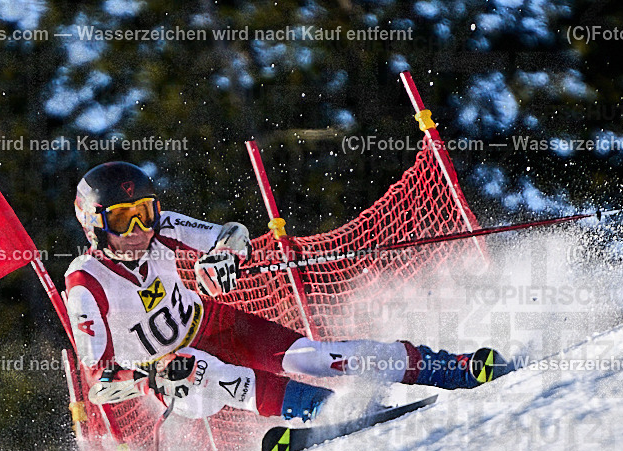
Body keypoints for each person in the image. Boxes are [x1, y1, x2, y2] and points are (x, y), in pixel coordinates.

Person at [65, 161, 510, 421]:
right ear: (96, 224)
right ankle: (328, 411)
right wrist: (149, 378)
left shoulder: (162, 229)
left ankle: (448, 367)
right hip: (175, 376)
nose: (141, 227)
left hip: (220, 324)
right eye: (125, 219)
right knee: (202, 369)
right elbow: (98, 382)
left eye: (145, 211)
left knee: (313, 357)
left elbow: (232, 233)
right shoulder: (86, 282)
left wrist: (226, 254)